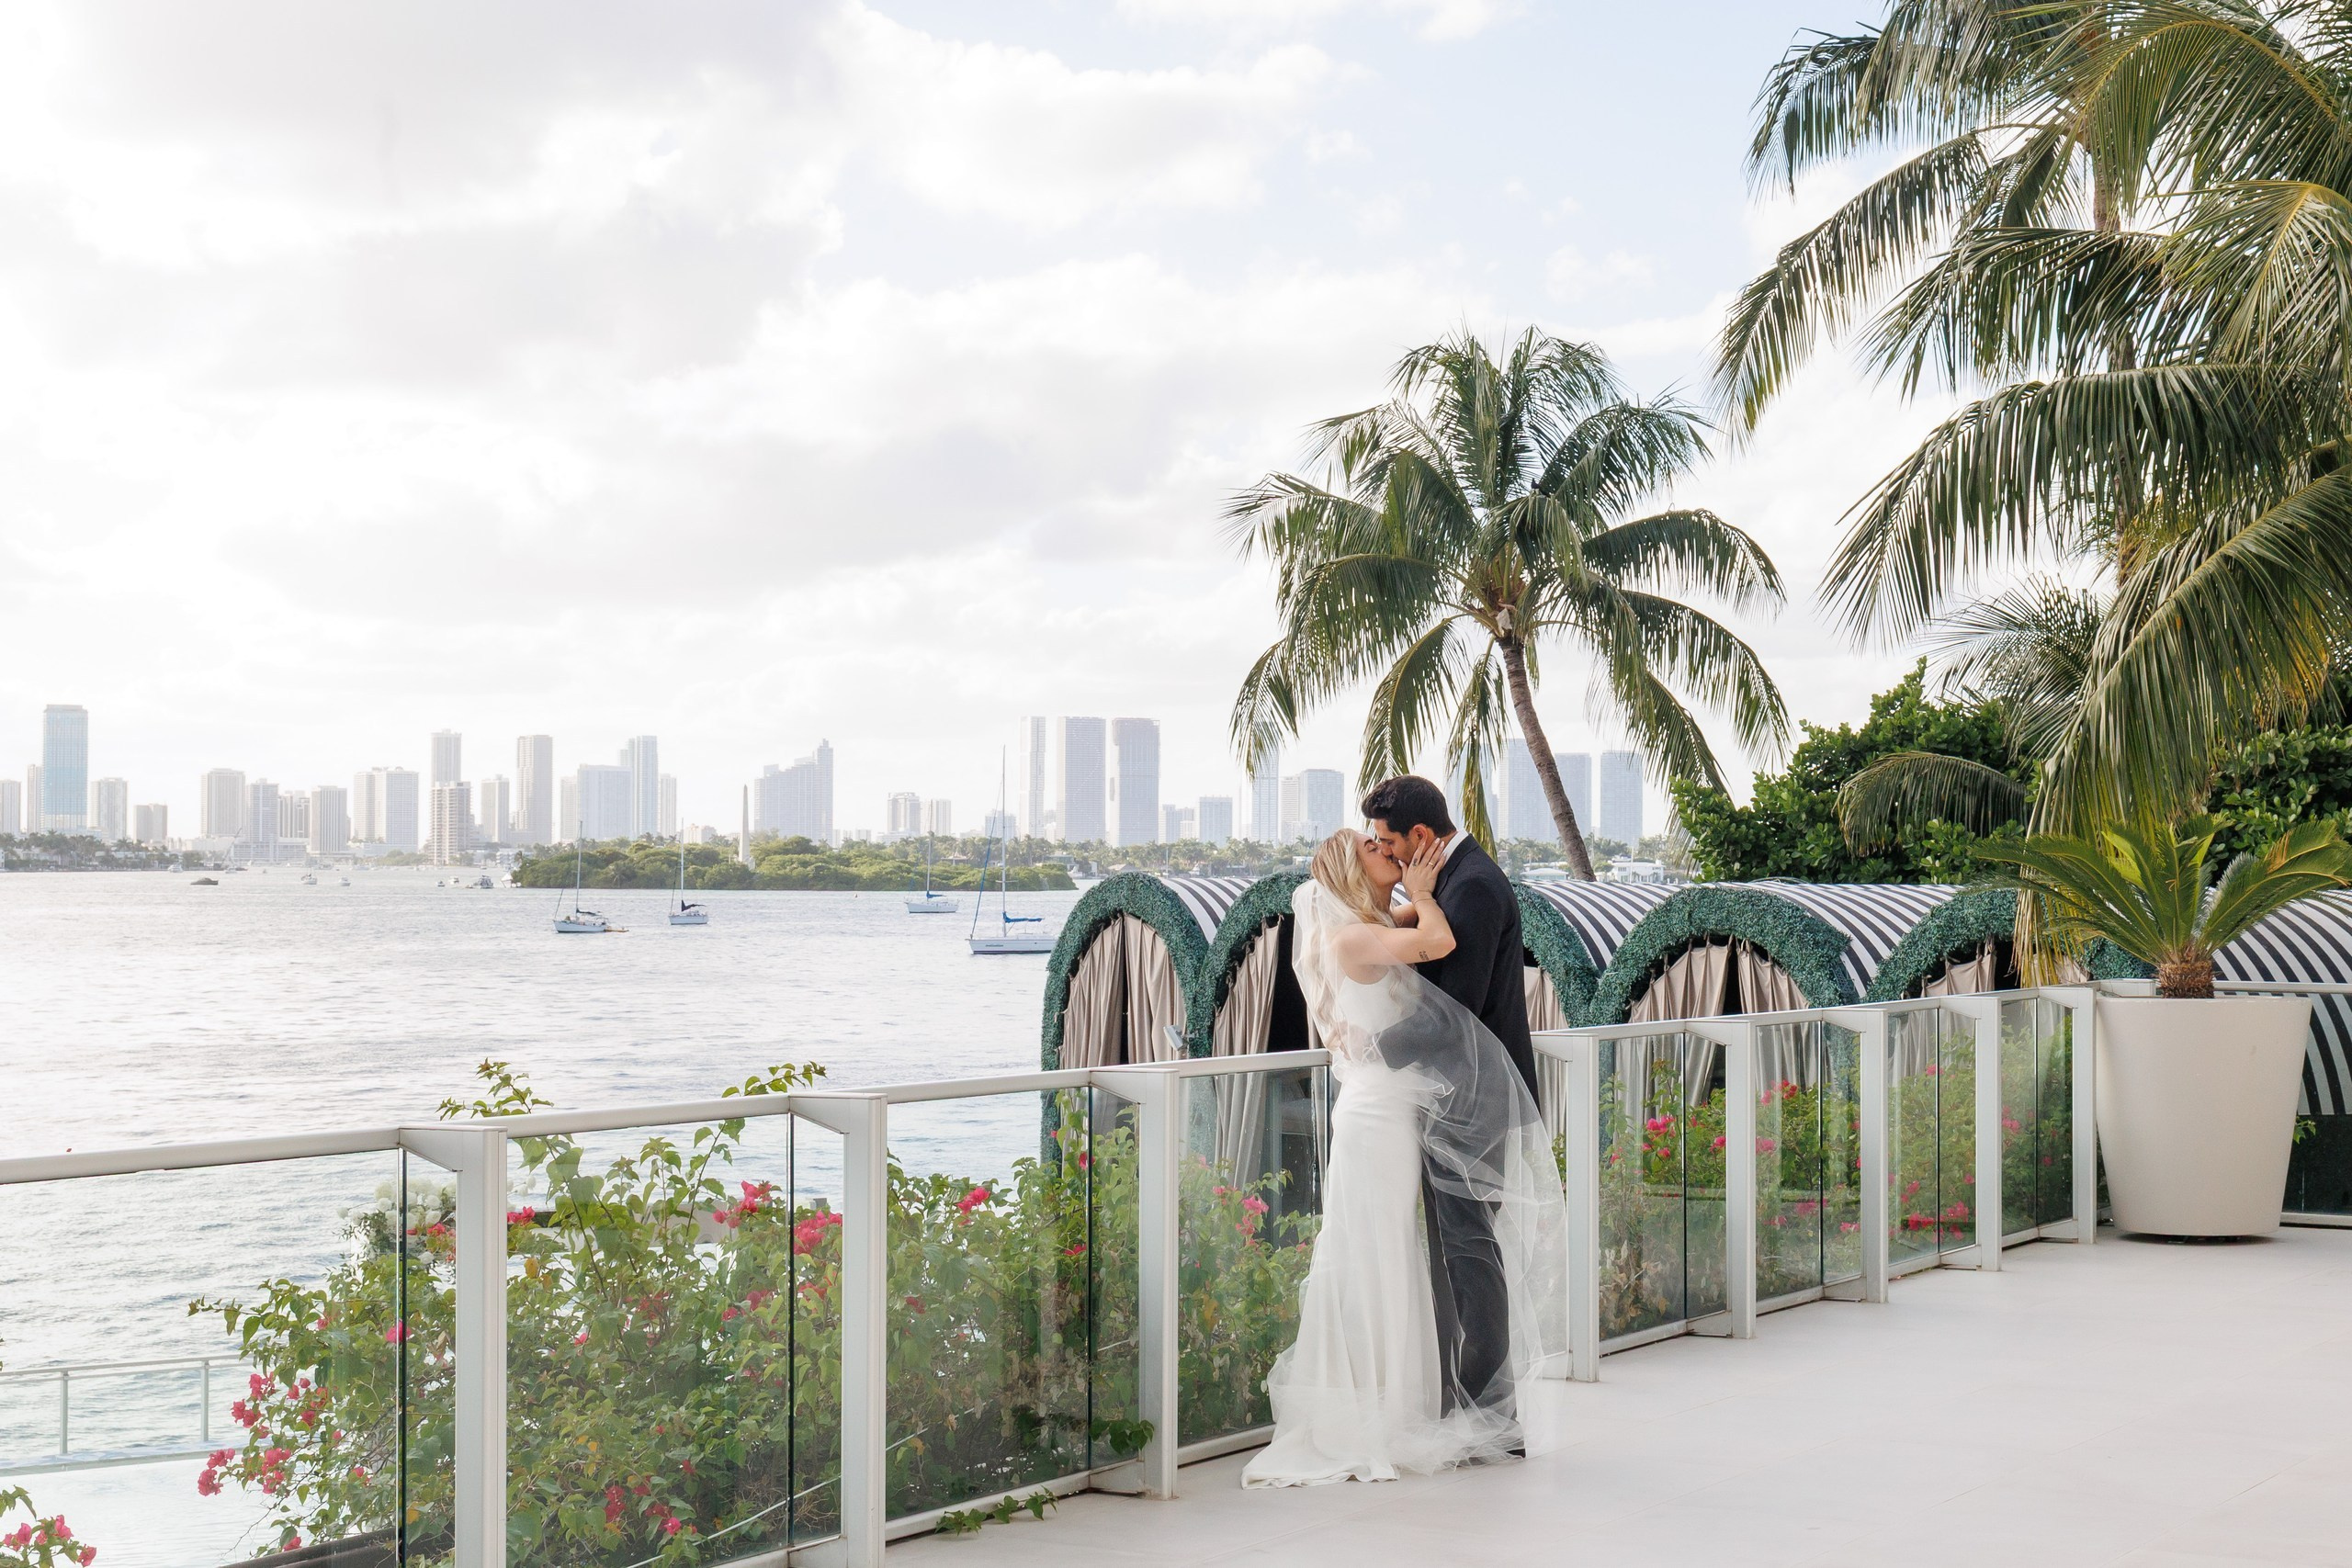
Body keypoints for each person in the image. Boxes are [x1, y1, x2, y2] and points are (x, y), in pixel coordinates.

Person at [1241, 829, 1566, 1487]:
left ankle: (1398, 1402)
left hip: (1395, 1106)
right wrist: (1423, 893)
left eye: (1387, 841)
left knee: (1392, 1248)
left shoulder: (1375, 924)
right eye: (1373, 847)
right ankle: (1371, 1412)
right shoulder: (1354, 938)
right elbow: (1439, 942)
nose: (1386, 851)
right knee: (1377, 1249)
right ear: (1349, 870)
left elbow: (1422, 933)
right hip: (1377, 1114)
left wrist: (1413, 894)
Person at [1359, 774, 1532, 1448]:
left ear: (1421, 836)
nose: (1386, 853)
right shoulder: (1452, 883)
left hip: (1473, 1098)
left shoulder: (1473, 888)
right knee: (1457, 1254)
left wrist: (1369, 1050)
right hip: (1456, 1094)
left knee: (1469, 1254)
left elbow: (1454, 1013)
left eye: (1389, 842)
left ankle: (1491, 1420)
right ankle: (1464, 1405)